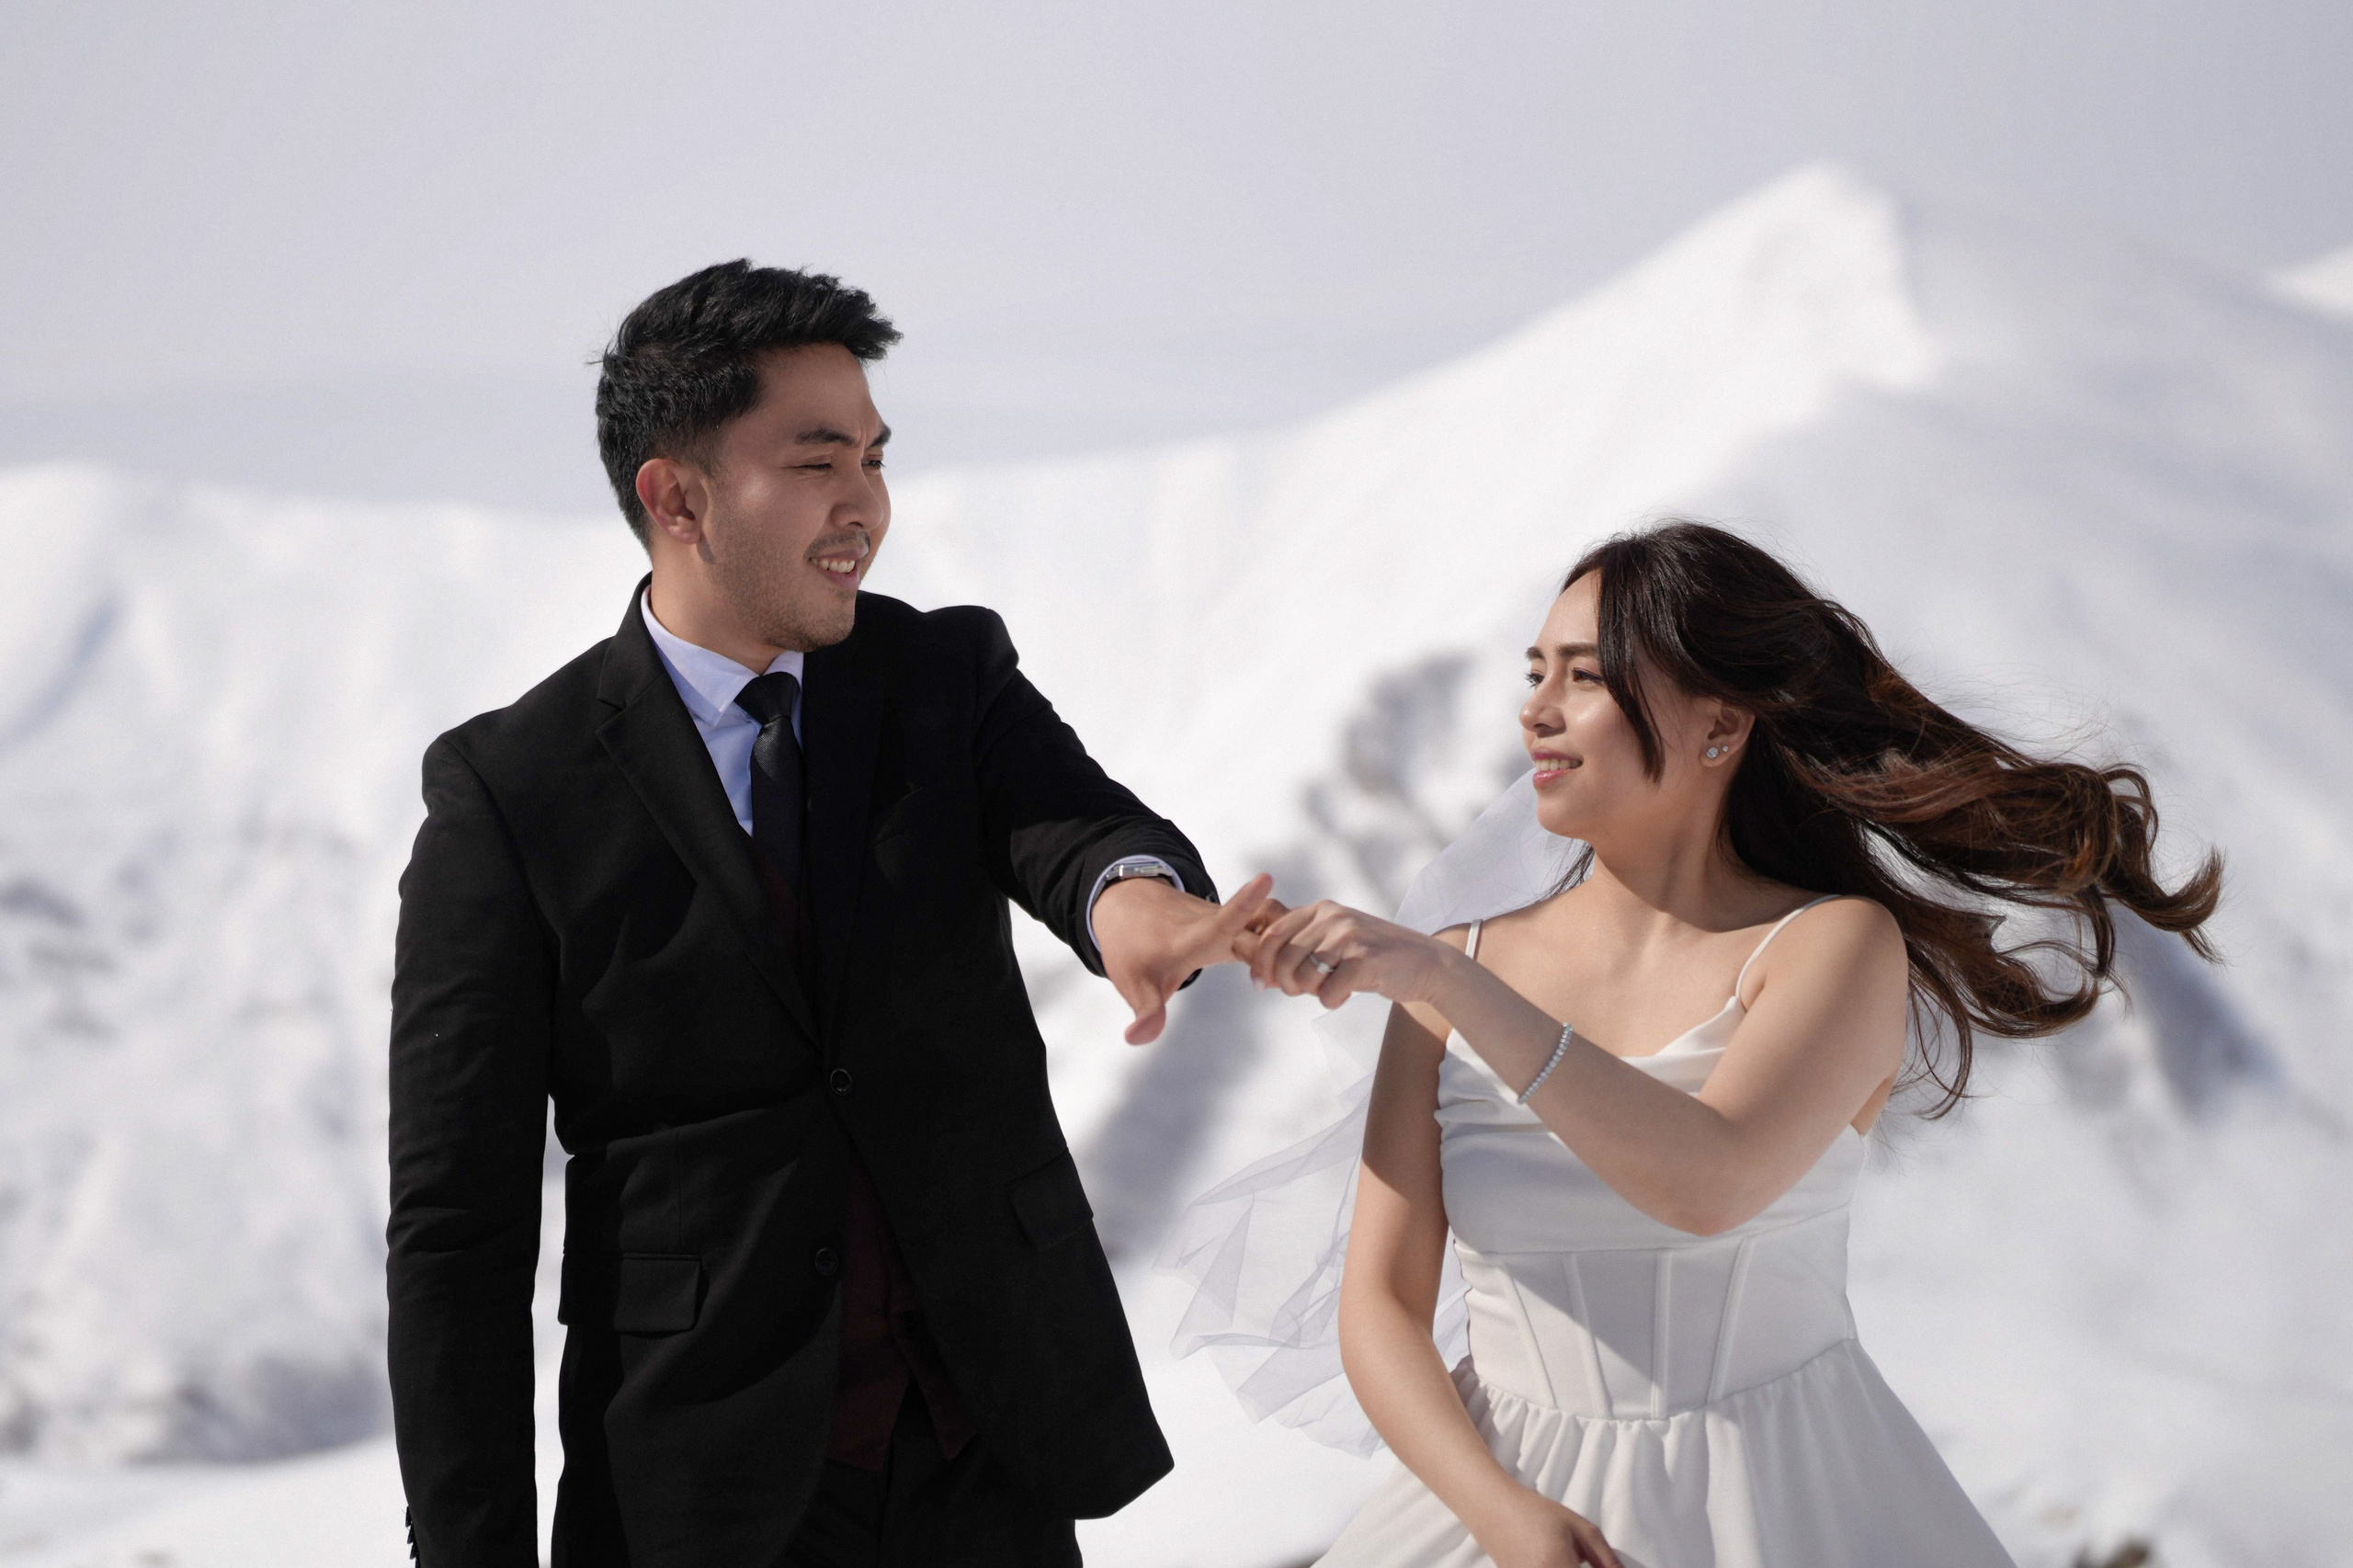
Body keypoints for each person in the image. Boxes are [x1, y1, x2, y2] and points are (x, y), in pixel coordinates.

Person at [386, 260, 1271, 1567]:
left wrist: (1128, 899)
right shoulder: (510, 793)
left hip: (989, 1450)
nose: (865, 504)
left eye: (874, 456)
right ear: (675, 496)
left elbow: (1073, 823)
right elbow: (458, 1230)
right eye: (817, 463)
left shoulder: (941, 673)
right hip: (697, 1494)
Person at [1235, 521, 2219, 1567]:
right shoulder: (1453, 972)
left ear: (1720, 723)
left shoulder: (1831, 946)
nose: (1535, 709)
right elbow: (1380, 1304)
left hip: (1784, 1497)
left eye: (1585, 676)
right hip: (1493, 1510)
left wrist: (1452, 985)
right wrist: (1496, 1510)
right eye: (1535, 674)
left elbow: (1707, 1180)